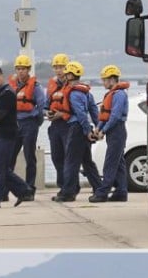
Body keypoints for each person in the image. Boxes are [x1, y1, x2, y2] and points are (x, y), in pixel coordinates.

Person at [0, 65, 32, 209]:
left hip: (7, 135)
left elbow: (0, 114)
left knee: (0, 167)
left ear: (1, 76)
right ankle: (23, 190)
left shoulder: (8, 93)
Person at [52, 61, 97, 202]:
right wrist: (97, 127)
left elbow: (81, 114)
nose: (64, 76)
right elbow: (94, 110)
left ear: (70, 75)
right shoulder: (85, 91)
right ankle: (100, 189)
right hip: (83, 128)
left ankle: (68, 193)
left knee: (71, 162)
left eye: (66, 74)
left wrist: (86, 130)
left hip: (76, 128)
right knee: (87, 161)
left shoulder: (73, 93)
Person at [89, 65, 130, 203]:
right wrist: (98, 128)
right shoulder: (112, 94)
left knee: (110, 163)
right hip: (113, 130)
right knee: (119, 163)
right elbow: (104, 116)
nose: (103, 82)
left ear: (112, 79)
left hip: (117, 130)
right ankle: (121, 192)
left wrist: (103, 131)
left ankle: (102, 193)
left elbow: (115, 116)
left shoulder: (119, 94)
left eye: (105, 80)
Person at [8, 54, 46, 199]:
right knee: (9, 157)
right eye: (18, 68)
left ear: (28, 69)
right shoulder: (10, 87)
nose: (21, 71)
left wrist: (37, 121)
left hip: (30, 123)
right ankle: (6, 189)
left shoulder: (35, 87)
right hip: (14, 124)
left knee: (29, 156)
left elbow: (41, 105)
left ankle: (29, 189)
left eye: (23, 68)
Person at [45, 53, 70, 190]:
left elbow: (77, 108)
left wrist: (62, 114)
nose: (58, 70)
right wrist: (47, 112)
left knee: (69, 158)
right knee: (56, 157)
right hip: (54, 125)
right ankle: (62, 186)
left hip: (68, 124)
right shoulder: (52, 85)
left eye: (61, 67)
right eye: (56, 67)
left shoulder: (73, 84)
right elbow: (45, 104)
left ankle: (70, 186)